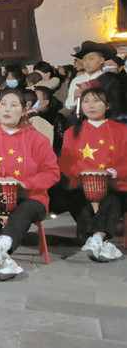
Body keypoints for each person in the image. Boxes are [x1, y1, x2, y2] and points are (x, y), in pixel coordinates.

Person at [0, 89, 60, 280]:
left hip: (31, 197)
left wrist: (26, 184)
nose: (7, 109)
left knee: (23, 210)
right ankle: (5, 260)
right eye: (3, 104)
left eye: (13, 105)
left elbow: (52, 173)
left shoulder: (37, 139)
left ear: (24, 110)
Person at [58, 88, 126, 261]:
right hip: (80, 186)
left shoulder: (122, 131)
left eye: (96, 101)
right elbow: (65, 162)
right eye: (86, 101)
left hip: (115, 186)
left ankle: (95, 239)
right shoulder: (71, 132)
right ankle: (103, 242)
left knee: (112, 199)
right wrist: (80, 173)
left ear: (108, 105)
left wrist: (112, 172)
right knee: (76, 198)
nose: (90, 105)